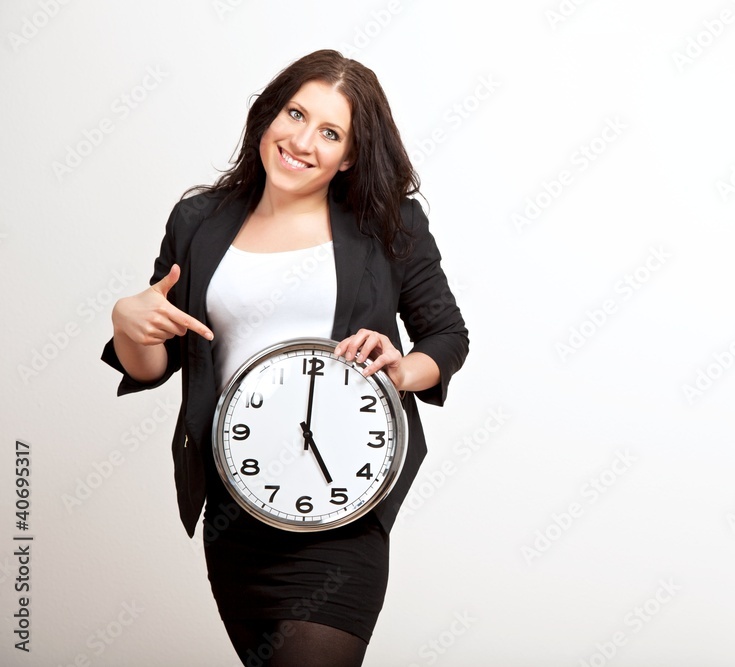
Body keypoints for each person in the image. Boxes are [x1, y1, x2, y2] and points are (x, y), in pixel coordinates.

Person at [101, 49, 469, 667]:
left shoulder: (388, 224)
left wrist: (401, 369)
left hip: (343, 504)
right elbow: (156, 365)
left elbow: (448, 337)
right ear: (268, 116)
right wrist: (128, 323)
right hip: (235, 507)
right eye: (294, 114)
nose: (302, 140)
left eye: (330, 132)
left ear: (350, 155)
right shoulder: (199, 219)